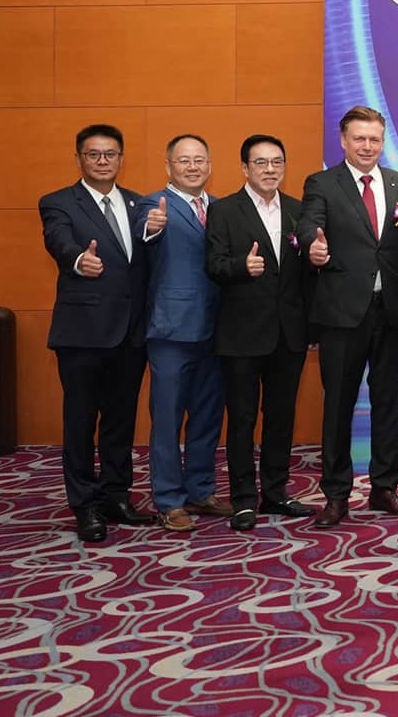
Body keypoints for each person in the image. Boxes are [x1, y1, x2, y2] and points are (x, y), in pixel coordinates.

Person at [296, 105, 398, 529]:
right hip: (341, 313)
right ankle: (336, 494)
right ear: (343, 140)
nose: (367, 146)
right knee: (338, 405)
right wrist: (312, 247)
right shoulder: (322, 183)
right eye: (359, 138)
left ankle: (384, 487)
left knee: (387, 402)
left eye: (374, 139)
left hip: (390, 312)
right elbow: (308, 226)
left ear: (382, 141)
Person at [39, 124, 155, 541]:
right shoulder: (58, 202)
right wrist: (77, 260)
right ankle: (85, 504)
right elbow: (58, 241)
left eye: (110, 154)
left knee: (120, 421)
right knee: (80, 421)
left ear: (121, 158)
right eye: (94, 154)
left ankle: (116, 495)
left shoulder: (139, 204)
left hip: (130, 334)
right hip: (83, 333)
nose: (103, 161)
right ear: (79, 159)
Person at [204, 134, 315, 531]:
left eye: (277, 162)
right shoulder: (224, 210)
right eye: (261, 163)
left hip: (289, 333)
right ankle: (243, 500)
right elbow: (213, 264)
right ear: (245, 168)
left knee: (281, 417)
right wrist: (240, 267)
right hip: (242, 333)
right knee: (242, 419)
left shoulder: (299, 211)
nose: (270, 170)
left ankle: (275, 492)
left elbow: (306, 276)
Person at [138, 134, 227, 532]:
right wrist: (151, 227)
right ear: (168, 166)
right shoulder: (153, 205)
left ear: (210, 165)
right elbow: (145, 232)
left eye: (199, 160)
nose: (193, 167)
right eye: (184, 160)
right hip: (171, 331)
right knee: (168, 419)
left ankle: (200, 490)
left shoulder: (221, 208)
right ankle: (169, 500)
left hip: (217, 330)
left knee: (208, 416)